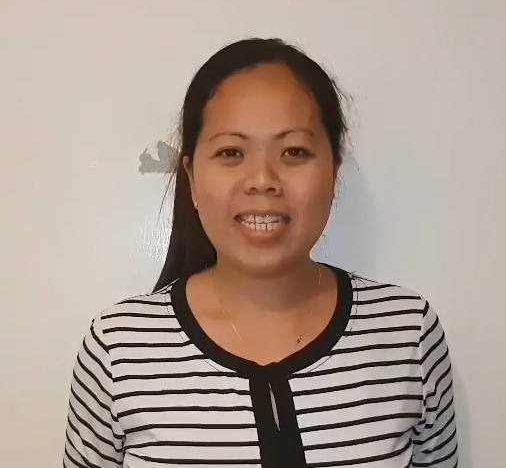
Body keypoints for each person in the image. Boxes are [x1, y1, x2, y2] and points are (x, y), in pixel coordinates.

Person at [63, 38, 458, 468]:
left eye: (294, 152)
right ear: (192, 177)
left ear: (334, 171)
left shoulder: (407, 333)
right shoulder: (119, 348)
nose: (262, 179)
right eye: (231, 152)